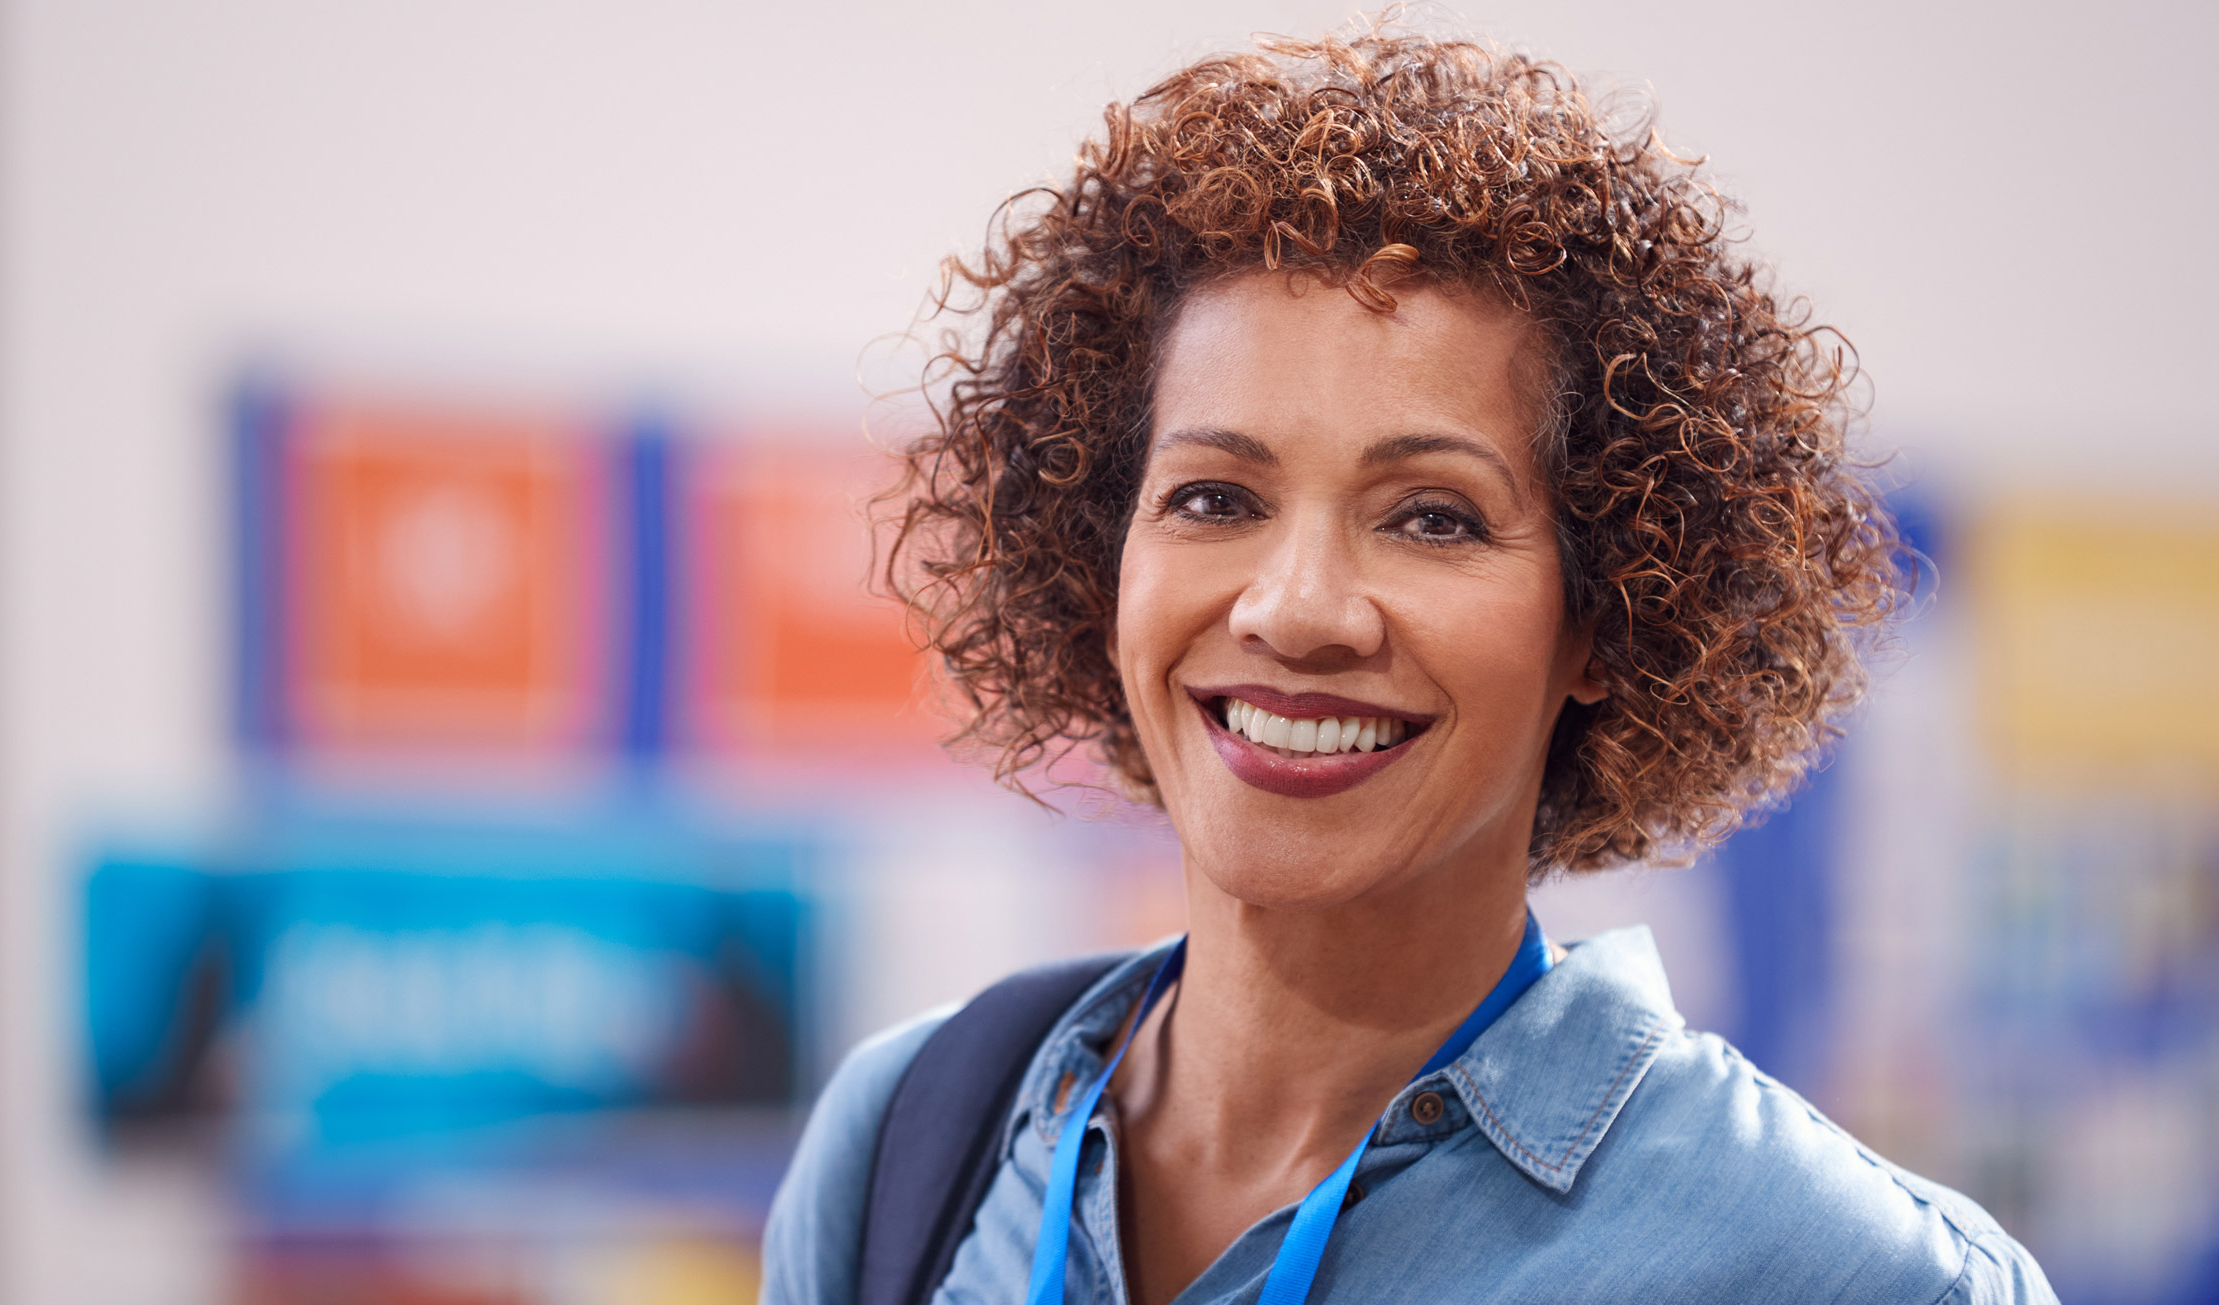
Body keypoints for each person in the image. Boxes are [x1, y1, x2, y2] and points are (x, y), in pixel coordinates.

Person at [763, 26, 2056, 1305]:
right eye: (1215, 497)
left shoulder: (1841, 1275)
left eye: (1432, 516)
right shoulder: (912, 1140)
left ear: (1604, 616)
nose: (1298, 608)